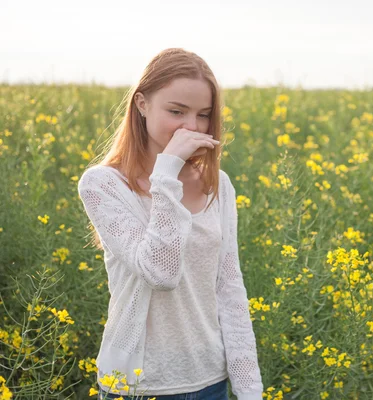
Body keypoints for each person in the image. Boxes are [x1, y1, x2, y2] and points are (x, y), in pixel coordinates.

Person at [77, 48, 264, 400]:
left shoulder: (217, 184)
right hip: (137, 386)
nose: (191, 127)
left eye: (203, 115)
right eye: (176, 111)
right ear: (141, 104)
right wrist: (167, 172)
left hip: (211, 381)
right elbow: (161, 272)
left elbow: (229, 289)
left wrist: (250, 389)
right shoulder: (102, 185)